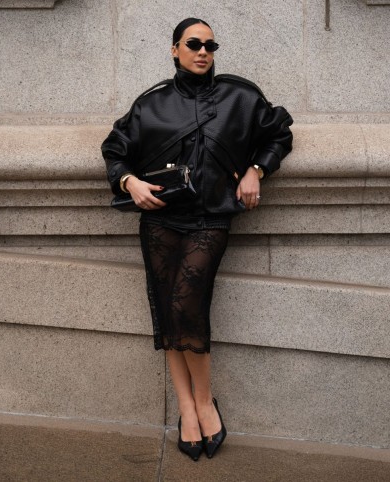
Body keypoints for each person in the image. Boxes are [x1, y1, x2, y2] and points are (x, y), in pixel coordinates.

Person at [101, 17, 293, 461]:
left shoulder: (241, 97)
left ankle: (205, 402)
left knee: (187, 305)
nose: (203, 51)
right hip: (160, 218)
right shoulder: (151, 103)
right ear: (175, 49)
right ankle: (186, 408)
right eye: (193, 44)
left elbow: (279, 133)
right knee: (168, 309)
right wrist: (130, 182)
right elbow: (114, 149)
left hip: (211, 218)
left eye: (210, 45)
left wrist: (256, 170)